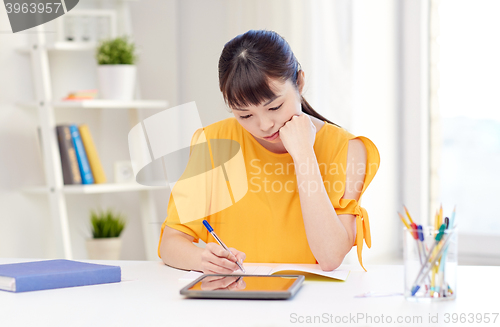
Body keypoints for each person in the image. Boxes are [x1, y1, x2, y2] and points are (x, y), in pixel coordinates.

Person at [158, 30, 380, 273]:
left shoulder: (348, 149)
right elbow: (171, 242)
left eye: (274, 107)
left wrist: (304, 154)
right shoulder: (213, 142)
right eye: (245, 115)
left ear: (300, 82)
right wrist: (202, 260)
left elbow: (330, 256)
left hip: (308, 300)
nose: (264, 125)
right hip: (233, 299)